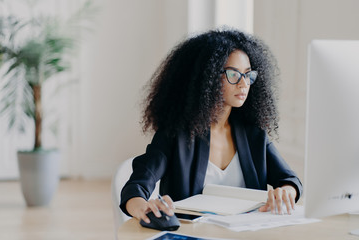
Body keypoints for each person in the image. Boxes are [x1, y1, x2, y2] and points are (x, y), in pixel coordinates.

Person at [120, 28, 303, 224]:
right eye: (233, 74)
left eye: (248, 75)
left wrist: (285, 192)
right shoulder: (176, 135)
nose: (244, 84)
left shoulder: (254, 134)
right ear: (207, 77)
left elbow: (290, 181)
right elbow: (135, 188)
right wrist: (144, 207)